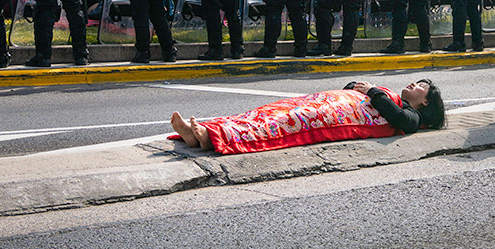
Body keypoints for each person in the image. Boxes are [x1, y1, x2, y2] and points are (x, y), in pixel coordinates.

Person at [169, 78, 445, 153]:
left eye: (422, 88)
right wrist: (360, 88)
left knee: (279, 123)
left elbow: (399, 121)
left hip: (330, 115)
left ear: (425, 104)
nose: (415, 85)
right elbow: (354, 91)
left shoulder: (413, 117)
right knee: (270, 111)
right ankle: (204, 130)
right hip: (328, 102)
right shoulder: (389, 96)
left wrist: (373, 92)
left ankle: (209, 137)